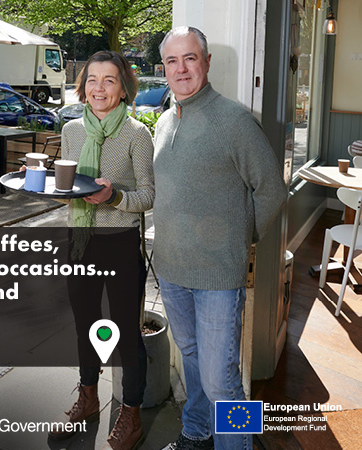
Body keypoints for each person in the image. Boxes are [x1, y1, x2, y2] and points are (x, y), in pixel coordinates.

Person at [153, 27, 288, 450]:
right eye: (172, 61)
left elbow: (271, 189)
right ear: (164, 68)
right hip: (171, 270)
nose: (181, 68)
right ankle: (196, 431)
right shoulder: (163, 121)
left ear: (206, 62)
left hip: (217, 277)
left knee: (222, 379)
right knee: (192, 361)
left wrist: (239, 239)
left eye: (190, 58)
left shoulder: (234, 120)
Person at [47, 50, 155, 450]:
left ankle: (131, 412)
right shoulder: (72, 130)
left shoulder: (136, 134)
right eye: (92, 79)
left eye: (109, 80)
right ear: (83, 86)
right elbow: (69, 186)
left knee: (127, 333)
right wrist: (54, 189)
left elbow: (147, 197)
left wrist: (112, 198)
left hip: (120, 245)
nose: (99, 88)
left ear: (124, 88)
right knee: (86, 325)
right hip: (78, 241)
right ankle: (88, 397)